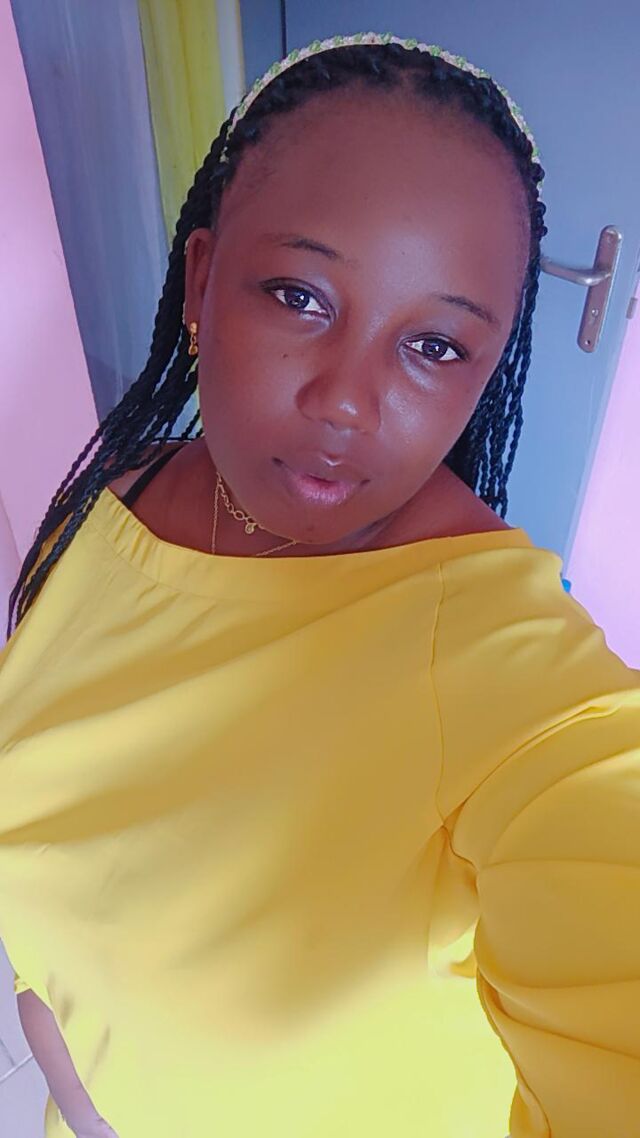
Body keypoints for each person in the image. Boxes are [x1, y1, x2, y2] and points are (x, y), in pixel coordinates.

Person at [1, 31, 639, 1138]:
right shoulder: (117, 499)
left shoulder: (507, 673)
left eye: (434, 347)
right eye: (298, 295)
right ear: (202, 281)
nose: (346, 400)